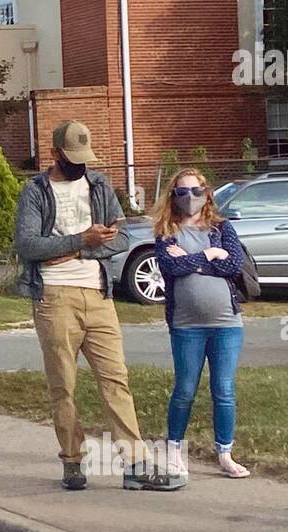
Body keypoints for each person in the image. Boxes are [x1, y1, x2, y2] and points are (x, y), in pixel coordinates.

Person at [15, 121, 179, 492]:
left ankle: (136, 463)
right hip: (54, 297)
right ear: (55, 153)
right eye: (73, 158)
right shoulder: (36, 192)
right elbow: (26, 245)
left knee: (116, 379)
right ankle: (72, 461)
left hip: (99, 294)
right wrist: (80, 239)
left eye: (84, 158)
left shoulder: (99, 184)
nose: (80, 165)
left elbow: (119, 236)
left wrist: (77, 248)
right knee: (64, 384)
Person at [151, 168, 250, 484]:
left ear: (206, 193)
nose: (189, 198)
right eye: (182, 192)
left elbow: (233, 265)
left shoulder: (222, 228)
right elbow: (170, 266)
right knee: (184, 389)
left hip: (226, 324)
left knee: (223, 390)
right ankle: (175, 450)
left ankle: (225, 453)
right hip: (186, 325)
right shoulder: (167, 231)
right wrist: (208, 255)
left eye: (195, 191)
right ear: (173, 196)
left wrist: (193, 260)